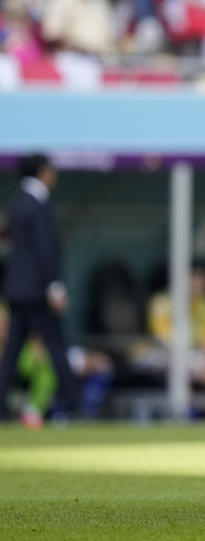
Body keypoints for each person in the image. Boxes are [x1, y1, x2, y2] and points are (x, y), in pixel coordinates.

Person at [0, 154, 79, 421]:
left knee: (11, 353)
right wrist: (54, 287)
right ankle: (74, 406)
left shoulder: (16, 203)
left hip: (16, 289)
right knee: (56, 347)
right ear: (43, 172)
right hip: (37, 292)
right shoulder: (38, 204)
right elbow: (44, 250)